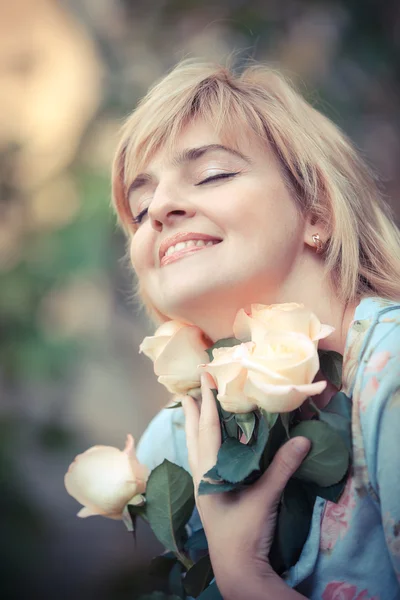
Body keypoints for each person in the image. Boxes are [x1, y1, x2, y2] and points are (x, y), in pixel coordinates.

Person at [111, 60, 400, 599]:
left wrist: (244, 575)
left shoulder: (393, 369)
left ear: (317, 209)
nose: (159, 212)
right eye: (140, 205)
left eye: (213, 174)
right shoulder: (174, 446)